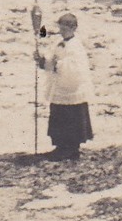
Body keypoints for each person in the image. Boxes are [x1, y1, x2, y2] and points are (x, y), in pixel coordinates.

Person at [35, 11, 94, 160]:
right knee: (59, 117)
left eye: (65, 28)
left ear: (73, 28)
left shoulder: (76, 46)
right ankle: (61, 146)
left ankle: (71, 148)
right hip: (59, 87)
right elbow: (52, 58)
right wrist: (43, 61)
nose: (62, 31)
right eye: (61, 27)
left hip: (71, 89)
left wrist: (56, 65)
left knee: (71, 118)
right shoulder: (59, 43)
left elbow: (75, 68)